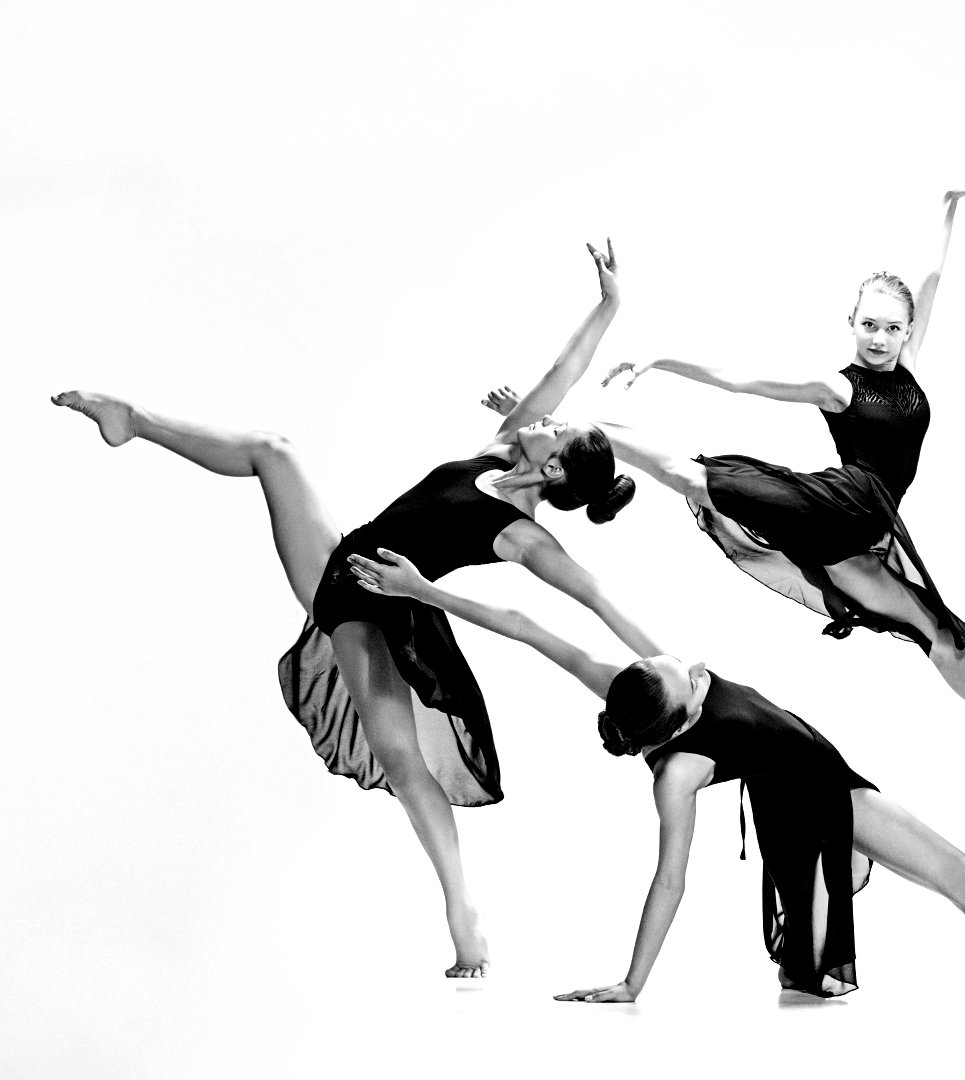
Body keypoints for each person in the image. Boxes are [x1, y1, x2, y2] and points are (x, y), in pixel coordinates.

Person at [51, 243, 655, 976]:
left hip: (380, 604)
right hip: (343, 557)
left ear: (554, 468)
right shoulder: (503, 450)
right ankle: (132, 418)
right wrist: (610, 305)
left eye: (555, 428)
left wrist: (662, 658)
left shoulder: (523, 536)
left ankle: (463, 913)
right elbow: (566, 368)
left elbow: (595, 595)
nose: (546, 417)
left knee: (404, 762)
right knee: (276, 449)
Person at [345, 545, 965, 1002]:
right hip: (818, 799)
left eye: (665, 664)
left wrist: (424, 590)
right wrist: (632, 983)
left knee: (929, 896)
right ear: (679, 724)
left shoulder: (629, 684)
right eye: (691, 682)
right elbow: (670, 879)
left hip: (809, 779)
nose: (694, 664)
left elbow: (526, 625)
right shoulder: (677, 772)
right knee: (961, 875)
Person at [578, 182, 965, 706]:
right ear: (851, 323)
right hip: (839, 504)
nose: (878, 338)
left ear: (908, 329)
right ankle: (579, 431)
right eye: (868, 325)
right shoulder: (838, 386)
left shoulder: (908, 365)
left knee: (936, 634)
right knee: (697, 478)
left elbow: (932, 278)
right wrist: (661, 358)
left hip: (861, 535)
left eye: (892, 328)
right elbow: (742, 378)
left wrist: (948, 203)